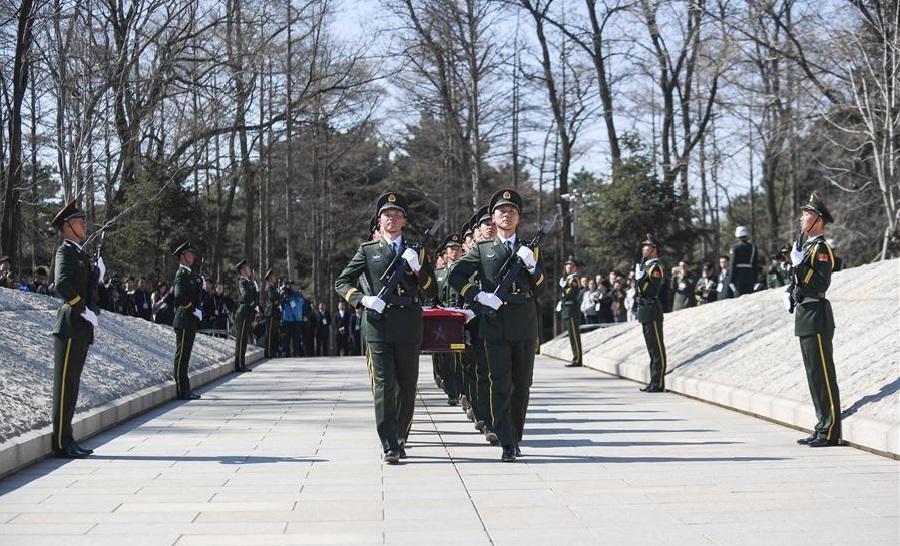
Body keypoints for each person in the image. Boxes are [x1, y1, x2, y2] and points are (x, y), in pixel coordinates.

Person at [334, 191, 437, 464]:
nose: (391, 218)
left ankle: (401, 436)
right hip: (378, 325)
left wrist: (418, 269)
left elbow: (431, 291)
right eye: (386, 215)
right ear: (379, 221)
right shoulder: (367, 251)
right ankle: (389, 443)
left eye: (396, 214)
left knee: (407, 385)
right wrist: (361, 299)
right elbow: (342, 282)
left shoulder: (417, 250)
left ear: (404, 219)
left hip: (408, 323)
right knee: (383, 385)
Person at [449, 189, 545, 462]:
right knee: (499, 383)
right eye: (501, 211)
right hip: (495, 322)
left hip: (524, 320)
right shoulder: (482, 248)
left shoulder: (529, 249)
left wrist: (532, 267)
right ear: (493, 217)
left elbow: (541, 288)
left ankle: (515, 433)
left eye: (512, 211)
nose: (506, 214)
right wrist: (478, 295)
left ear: (519, 217)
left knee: (522, 383)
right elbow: (456, 277)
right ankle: (506, 440)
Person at [789, 193, 842, 448]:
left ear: (818, 219)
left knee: (823, 374)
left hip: (817, 315)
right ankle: (821, 425)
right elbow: (801, 283)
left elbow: (821, 282)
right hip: (805, 314)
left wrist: (800, 266)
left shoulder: (821, 249)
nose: (802, 217)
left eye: (807, 213)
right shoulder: (806, 246)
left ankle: (830, 429)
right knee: (813, 375)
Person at [49, 200, 99, 458]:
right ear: (67, 226)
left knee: (73, 384)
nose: (84, 226)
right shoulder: (65, 251)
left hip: (80, 326)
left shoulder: (80, 253)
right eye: (80, 222)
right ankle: (60, 442)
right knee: (65, 386)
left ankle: (67, 438)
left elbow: (86, 288)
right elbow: (63, 283)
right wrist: (82, 309)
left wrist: (97, 273)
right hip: (69, 324)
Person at [634, 233, 667, 393]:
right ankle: (654, 381)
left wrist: (640, 281)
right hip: (645, 310)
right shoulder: (646, 267)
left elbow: (651, 290)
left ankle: (658, 382)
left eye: (646, 246)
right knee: (651, 349)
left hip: (652, 309)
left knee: (657, 347)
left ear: (654, 250)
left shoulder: (655, 269)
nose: (643, 248)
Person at [171, 241, 203, 400]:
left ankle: (185, 388)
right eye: (189, 253)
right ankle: (181, 389)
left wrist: (199, 283)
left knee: (186, 356)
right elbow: (179, 296)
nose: (193, 256)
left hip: (190, 320)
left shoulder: (190, 273)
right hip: (184, 319)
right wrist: (193, 310)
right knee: (182, 356)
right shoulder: (181, 274)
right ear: (182, 257)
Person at [233, 259, 258, 372]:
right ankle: (239, 364)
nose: (250, 269)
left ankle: (242, 363)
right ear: (242, 270)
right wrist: (253, 305)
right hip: (243, 312)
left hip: (247, 312)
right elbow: (246, 296)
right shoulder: (242, 281)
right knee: (241, 340)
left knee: (244, 340)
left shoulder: (248, 282)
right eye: (247, 268)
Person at [559, 256, 583, 368]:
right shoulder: (567, 279)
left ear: (574, 268)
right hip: (567, 309)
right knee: (571, 336)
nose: (567, 268)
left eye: (569, 266)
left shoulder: (573, 280)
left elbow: (571, 293)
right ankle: (575, 357)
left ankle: (577, 359)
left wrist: (564, 289)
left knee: (574, 335)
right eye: (567, 266)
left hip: (572, 310)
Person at [728, 226, 760, 296]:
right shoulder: (753, 247)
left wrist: (731, 280)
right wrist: (756, 279)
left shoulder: (735, 247)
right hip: (750, 275)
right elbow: (755, 265)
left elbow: (732, 264)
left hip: (738, 276)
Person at [280, 281, 306, 357]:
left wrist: (294, 291)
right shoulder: (284, 293)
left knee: (296, 338)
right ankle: (286, 352)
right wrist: (283, 290)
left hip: (297, 319)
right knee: (286, 337)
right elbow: (280, 300)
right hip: (287, 319)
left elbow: (301, 301)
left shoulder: (298, 294)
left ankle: (296, 353)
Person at [261, 268, 280, 358]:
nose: (275, 278)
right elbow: (273, 298)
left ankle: (272, 351)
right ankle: (267, 352)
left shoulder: (273, 287)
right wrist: (278, 300)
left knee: (273, 333)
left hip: (274, 312)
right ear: (270, 278)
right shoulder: (269, 286)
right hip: (270, 312)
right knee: (269, 333)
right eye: (273, 276)